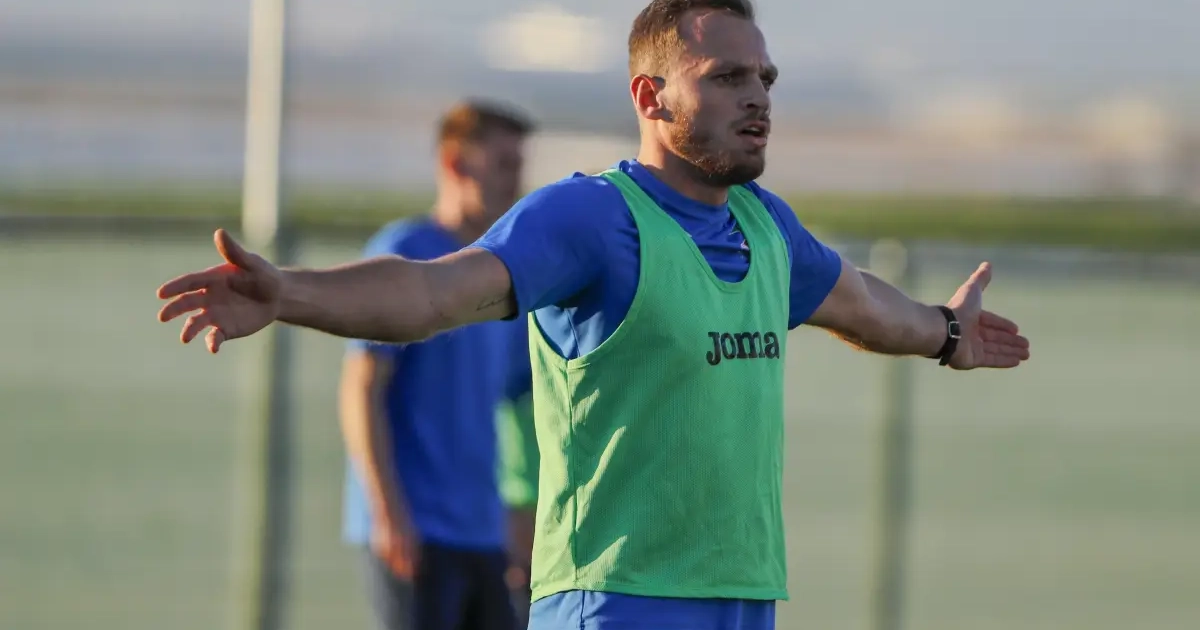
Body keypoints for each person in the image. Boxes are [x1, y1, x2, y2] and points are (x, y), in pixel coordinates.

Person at [155, 1, 1032, 628]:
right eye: (727, 77)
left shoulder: (767, 227)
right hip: (616, 599)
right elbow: (430, 292)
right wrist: (290, 293)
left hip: (744, 595)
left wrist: (948, 333)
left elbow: (863, 305)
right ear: (650, 98)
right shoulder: (590, 219)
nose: (758, 97)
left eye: (765, 77)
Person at [336, 99, 535, 630]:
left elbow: (520, 401)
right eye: (505, 165)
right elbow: (362, 388)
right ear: (455, 163)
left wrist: (522, 511)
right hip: (416, 532)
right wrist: (387, 511)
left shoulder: (500, 274)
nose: (516, 183)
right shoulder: (406, 252)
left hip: (485, 533)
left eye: (520, 166)